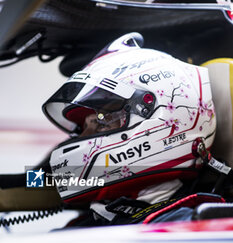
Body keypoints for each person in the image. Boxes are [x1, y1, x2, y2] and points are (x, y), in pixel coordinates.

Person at [41, 32, 233, 226]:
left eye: (101, 121)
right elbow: (37, 181)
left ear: (162, 115)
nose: (82, 138)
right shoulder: (97, 219)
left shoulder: (191, 226)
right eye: (83, 128)